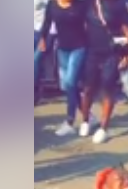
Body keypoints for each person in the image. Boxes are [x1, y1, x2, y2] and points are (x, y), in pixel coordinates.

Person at [79, 0, 128, 144]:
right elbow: (80, 24)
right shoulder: (87, 3)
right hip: (91, 52)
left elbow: (126, 29)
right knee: (88, 89)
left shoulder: (118, 5)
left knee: (108, 88)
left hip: (112, 53)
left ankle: (103, 128)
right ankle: (85, 120)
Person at [38, 0, 90, 137]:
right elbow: (47, 21)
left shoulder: (82, 4)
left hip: (79, 47)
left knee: (70, 82)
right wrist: (42, 38)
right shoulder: (52, 4)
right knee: (68, 86)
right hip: (62, 48)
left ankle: (69, 122)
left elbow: (91, 23)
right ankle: (88, 115)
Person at [34, 0, 56, 105]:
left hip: (47, 32)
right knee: (36, 64)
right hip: (34, 29)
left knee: (35, 61)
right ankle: (37, 92)